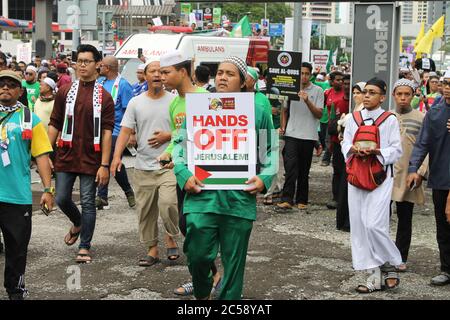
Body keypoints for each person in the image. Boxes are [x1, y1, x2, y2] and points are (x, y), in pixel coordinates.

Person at [172, 56, 275, 299]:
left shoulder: (257, 110)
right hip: (201, 197)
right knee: (197, 256)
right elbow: (180, 145)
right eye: (220, 73)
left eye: (230, 73)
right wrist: (183, 174)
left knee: (234, 265)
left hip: (238, 200)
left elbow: (269, 150)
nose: (222, 77)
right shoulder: (198, 107)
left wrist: (264, 179)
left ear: (243, 82)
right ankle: (202, 294)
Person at [157, 49, 222, 296]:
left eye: (166, 72)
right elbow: (180, 136)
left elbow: (214, 136)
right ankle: (210, 275)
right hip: (183, 174)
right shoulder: (174, 102)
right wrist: (170, 153)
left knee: (196, 228)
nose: (161, 76)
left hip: (205, 175)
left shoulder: (206, 99)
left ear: (182, 72)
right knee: (187, 227)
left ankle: (208, 278)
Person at [47, 44, 115, 264]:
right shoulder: (65, 92)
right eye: (79, 61)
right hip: (65, 155)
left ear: (98, 65)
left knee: (88, 201)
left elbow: (106, 132)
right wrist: (46, 153)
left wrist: (104, 165)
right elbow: (55, 122)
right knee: (62, 198)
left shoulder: (104, 97)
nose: (82, 65)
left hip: (91, 158)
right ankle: (77, 223)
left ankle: (85, 246)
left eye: (87, 61)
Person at [110, 59, 180, 267]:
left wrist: (168, 136)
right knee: (145, 211)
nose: (157, 75)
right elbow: (124, 130)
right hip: (143, 165)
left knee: (168, 204)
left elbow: (188, 128)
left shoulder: (175, 100)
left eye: (161, 71)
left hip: (169, 165)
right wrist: (116, 157)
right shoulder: (136, 102)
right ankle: (152, 249)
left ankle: (170, 235)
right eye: (153, 71)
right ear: (145, 75)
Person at [342, 78, 403, 293]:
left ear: (382, 97)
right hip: (357, 175)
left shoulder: (390, 120)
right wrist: (354, 149)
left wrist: (377, 152)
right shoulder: (354, 118)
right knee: (359, 227)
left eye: (372, 92)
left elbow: (397, 150)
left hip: (381, 177)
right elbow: (345, 143)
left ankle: (391, 262)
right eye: (365, 92)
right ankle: (374, 277)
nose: (367, 96)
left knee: (374, 225)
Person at [0, 70, 54, 299]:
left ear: (20, 91)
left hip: (16, 196)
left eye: (11, 85)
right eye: (1, 84)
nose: (5, 88)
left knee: (17, 250)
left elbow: (42, 156)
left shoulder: (30, 119)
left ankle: (15, 291)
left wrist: (48, 190)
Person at [407, 70, 450, 286]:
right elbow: (422, 142)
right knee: (443, 225)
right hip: (442, 177)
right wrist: (414, 168)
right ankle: (447, 268)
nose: (448, 87)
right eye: (446, 83)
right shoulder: (435, 112)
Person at [391, 79, 428, 272]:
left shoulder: (422, 118)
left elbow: (426, 148)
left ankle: (400, 257)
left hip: (408, 174)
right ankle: (379, 254)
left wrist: (420, 172)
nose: (403, 98)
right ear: (393, 96)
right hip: (386, 175)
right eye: (400, 94)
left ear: (412, 96)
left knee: (405, 218)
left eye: (407, 94)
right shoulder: (387, 117)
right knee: (379, 217)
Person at [277, 62, 324, 211]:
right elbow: (284, 110)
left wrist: (307, 100)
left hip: (309, 135)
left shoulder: (317, 90)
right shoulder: (290, 89)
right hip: (291, 134)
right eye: (301, 73)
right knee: (290, 168)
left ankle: (302, 199)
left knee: (304, 170)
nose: (303, 76)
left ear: (310, 75)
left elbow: (319, 114)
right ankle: (286, 199)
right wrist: (283, 126)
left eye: (306, 73)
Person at [96, 56, 135, 210]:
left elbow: (129, 111)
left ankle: (105, 195)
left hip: (117, 130)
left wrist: (131, 133)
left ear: (109, 68)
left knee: (110, 158)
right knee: (106, 161)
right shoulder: (100, 83)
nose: (99, 68)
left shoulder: (124, 85)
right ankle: (107, 195)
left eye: (101, 66)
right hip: (99, 129)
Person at [327, 74, 350, 210]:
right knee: (337, 171)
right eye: (344, 83)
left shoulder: (358, 105)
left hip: (351, 145)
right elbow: (331, 126)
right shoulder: (338, 103)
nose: (346, 86)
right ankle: (336, 198)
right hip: (337, 143)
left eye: (348, 83)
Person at [321, 71, 344, 167]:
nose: (340, 82)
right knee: (329, 141)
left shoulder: (346, 92)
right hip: (331, 123)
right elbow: (322, 105)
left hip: (343, 123)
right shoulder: (327, 92)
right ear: (332, 81)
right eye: (337, 80)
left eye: (341, 80)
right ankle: (326, 159)